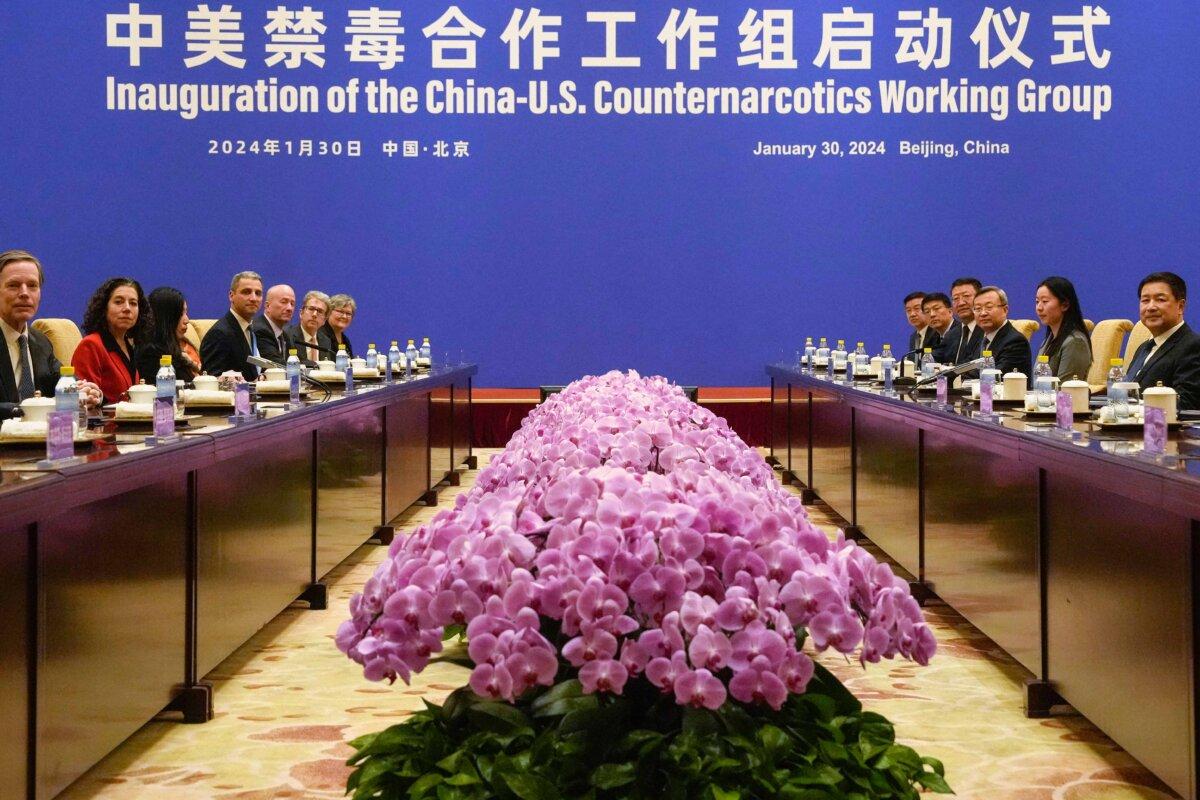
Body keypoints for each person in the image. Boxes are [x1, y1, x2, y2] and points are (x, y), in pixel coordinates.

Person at [0, 249, 102, 419]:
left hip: (41, 439)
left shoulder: (40, 342)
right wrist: (34, 408)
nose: (25, 293)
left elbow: (68, 381)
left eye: (32, 286)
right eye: (14, 285)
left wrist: (87, 393)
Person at [1126, 271, 1200, 410]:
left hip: (1163, 430)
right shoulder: (1144, 347)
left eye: (1160, 300)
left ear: (1180, 306)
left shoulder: (1193, 346)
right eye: (1145, 300)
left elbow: (1186, 404)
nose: (1151, 307)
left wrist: (1135, 409)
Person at [72, 278, 150, 403]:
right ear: (104, 308)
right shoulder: (91, 345)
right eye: (119, 302)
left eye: (133, 303)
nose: (127, 308)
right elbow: (86, 401)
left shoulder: (129, 345)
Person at [200, 271, 264, 381]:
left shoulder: (250, 329)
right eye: (246, 292)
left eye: (258, 293)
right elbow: (212, 381)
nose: (253, 298)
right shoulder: (219, 334)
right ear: (231, 296)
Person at [135, 287, 200, 383]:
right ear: (165, 318)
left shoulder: (177, 348)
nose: (187, 320)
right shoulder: (150, 354)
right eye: (181, 314)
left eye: (186, 312)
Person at [1034, 277, 1092, 381]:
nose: (1039, 307)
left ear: (1065, 305)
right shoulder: (1049, 340)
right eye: (1037, 301)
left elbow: (1066, 390)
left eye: (1045, 301)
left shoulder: (1075, 342)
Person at [973, 286, 1032, 376]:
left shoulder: (1016, 342)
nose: (983, 313)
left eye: (989, 307)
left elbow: (997, 377)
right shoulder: (981, 338)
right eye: (978, 309)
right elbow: (970, 368)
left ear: (1005, 310)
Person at [935, 278, 985, 364]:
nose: (961, 303)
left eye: (966, 296)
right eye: (956, 298)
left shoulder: (987, 330)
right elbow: (935, 359)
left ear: (980, 298)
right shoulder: (951, 334)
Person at [252, 284, 297, 365]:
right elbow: (276, 364)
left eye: (292, 304)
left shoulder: (284, 335)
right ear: (267, 306)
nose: (289, 308)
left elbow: (297, 360)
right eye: (284, 302)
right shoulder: (260, 330)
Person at [287, 290, 334, 366]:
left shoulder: (325, 341)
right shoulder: (288, 335)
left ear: (324, 320)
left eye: (320, 311)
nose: (314, 314)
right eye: (311, 309)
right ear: (301, 313)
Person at [322, 293, 356, 358]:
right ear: (329, 312)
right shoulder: (320, 336)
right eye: (340, 312)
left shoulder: (346, 340)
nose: (344, 316)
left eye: (348, 313)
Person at [921, 293, 955, 357]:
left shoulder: (961, 333)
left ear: (950, 311)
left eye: (936, 309)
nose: (932, 314)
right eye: (927, 311)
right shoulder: (931, 338)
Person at [903, 291, 931, 364]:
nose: (912, 314)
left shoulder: (937, 333)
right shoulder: (914, 337)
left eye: (917, 308)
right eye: (908, 310)